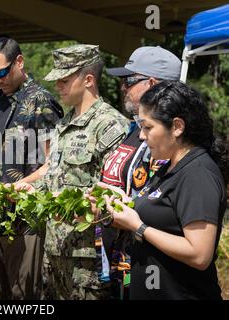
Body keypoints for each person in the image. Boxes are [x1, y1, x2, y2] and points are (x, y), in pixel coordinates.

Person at [15, 44, 129, 299]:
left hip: (88, 258)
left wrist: (74, 204)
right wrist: (31, 189)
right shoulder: (64, 124)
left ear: (88, 80)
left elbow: (116, 196)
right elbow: (55, 173)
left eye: (64, 80)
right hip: (54, 250)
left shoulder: (111, 126)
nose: (58, 87)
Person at [99, 81, 227, 299]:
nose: (141, 136)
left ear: (177, 127)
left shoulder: (197, 174)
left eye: (148, 127)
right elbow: (160, 215)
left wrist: (138, 227)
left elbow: (199, 254)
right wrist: (120, 201)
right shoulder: (169, 166)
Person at [0, 37, 64, 300]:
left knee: (22, 296)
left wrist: (16, 187)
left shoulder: (42, 102)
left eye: (2, 72)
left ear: (20, 62)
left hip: (25, 223)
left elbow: (54, 164)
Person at [100, 46, 182, 299]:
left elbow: (161, 203)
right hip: (122, 265)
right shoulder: (135, 129)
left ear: (152, 84)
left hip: (154, 271)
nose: (123, 87)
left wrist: (124, 207)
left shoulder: (171, 137)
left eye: (129, 80)